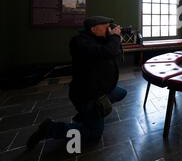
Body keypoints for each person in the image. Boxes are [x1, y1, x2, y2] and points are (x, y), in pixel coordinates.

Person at [26, 16, 127, 149]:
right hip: (88, 95)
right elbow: (106, 52)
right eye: (106, 26)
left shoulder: (101, 39)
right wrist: (114, 38)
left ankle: (84, 116)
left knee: (121, 92)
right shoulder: (79, 42)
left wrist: (115, 40)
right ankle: (50, 129)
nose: (109, 29)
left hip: (100, 89)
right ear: (93, 29)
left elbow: (114, 56)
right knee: (93, 134)